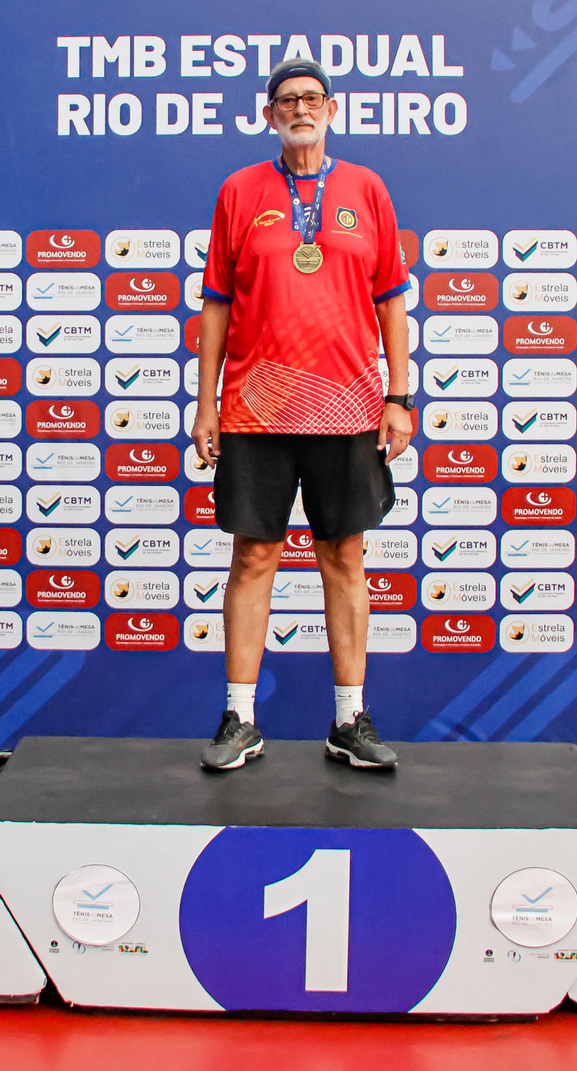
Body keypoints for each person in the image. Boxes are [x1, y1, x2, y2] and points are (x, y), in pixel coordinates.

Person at [192, 58, 415, 772]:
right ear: (269, 115)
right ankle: (240, 717)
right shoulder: (239, 190)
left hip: (349, 405)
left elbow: (391, 299)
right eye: (286, 100)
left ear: (332, 108)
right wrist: (205, 402)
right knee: (253, 555)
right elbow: (217, 302)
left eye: (312, 98)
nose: (300, 108)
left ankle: (349, 719)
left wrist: (400, 395)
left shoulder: (368, 188)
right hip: (255, 407)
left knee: (344, 557)